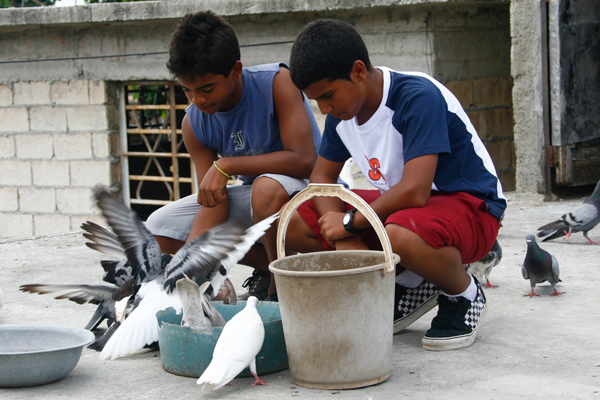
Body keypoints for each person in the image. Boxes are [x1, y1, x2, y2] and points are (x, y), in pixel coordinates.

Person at [285, 19, 506, 351]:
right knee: (298, 214)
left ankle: (463, 294)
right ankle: (414, 280)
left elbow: (416, 190)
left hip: (472, 208)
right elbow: (321, 179)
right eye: (316, 101)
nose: (324, 109)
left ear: (358, 71)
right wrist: (339, 236)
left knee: (400, 231)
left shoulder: (415, 96)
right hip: (409, 211)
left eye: (328, 96)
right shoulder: (341, 116)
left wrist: (349, 223)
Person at [145, 11, 321, 301]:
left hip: (308, 190)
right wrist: (190, 260)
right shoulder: (193, 122)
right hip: (259, 199)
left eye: (206, 88)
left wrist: (227, 164)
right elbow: (214, 200)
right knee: (157, 229)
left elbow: (304, 160)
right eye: (187, 90)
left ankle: (279, 292)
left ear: (235, 70)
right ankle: (270, 267)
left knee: (264, 190)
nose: (198, 100)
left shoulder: (277, 83)